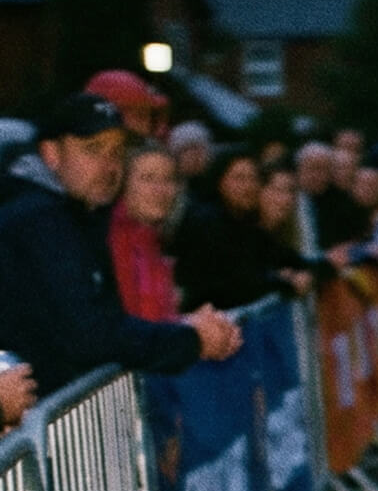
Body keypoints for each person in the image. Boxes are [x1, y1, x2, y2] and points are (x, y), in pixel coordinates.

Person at [0, 94, 239, 398]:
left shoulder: (76, 213)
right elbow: (91, 335)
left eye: (117, 152)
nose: (108, 166)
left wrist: (185, 331)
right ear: (51, 154)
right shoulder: (40, 219)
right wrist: (192, 339)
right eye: (92, 149)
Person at [172, 153, 310, 310]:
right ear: (220, 181)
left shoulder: (246, 223)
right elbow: (231, 285)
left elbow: (286, 258)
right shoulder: (205, 222)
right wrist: (281, 281)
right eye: (240, 178)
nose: (248, 186)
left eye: (253, 178)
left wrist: (301, 273)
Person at [111, 144, 183, 320]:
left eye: (168, 179)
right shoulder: (115, 240)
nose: (160, 190)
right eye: (148, 178)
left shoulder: (151, 238)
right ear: (123, 184)